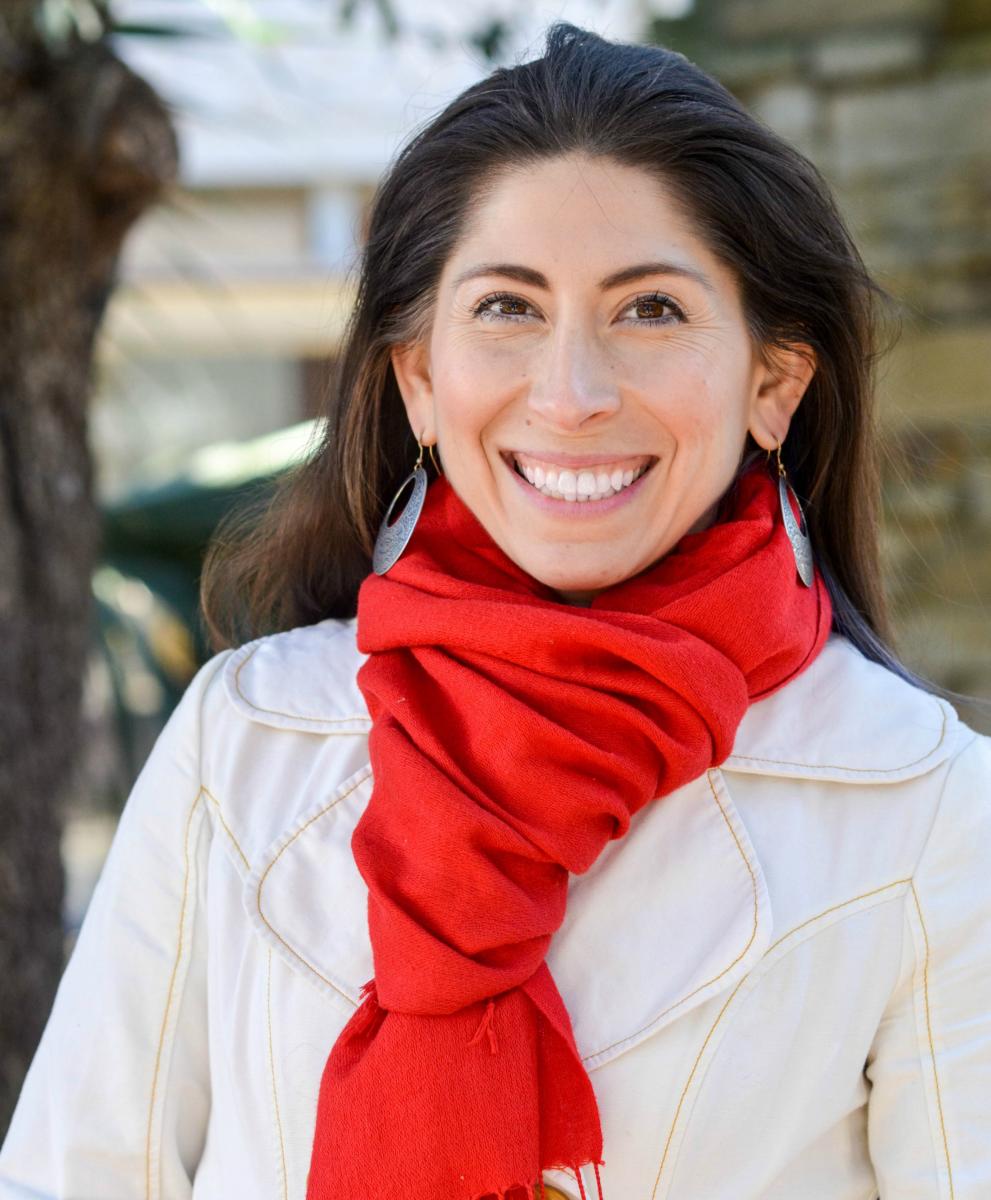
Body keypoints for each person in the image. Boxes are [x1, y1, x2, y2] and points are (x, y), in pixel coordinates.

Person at [2, 20, 989, 1200]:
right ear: (419, 379)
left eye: (652, 312)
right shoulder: (249, 742)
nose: (570, 394)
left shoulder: (918, 805)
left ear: (773, 384)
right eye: (507, 309)